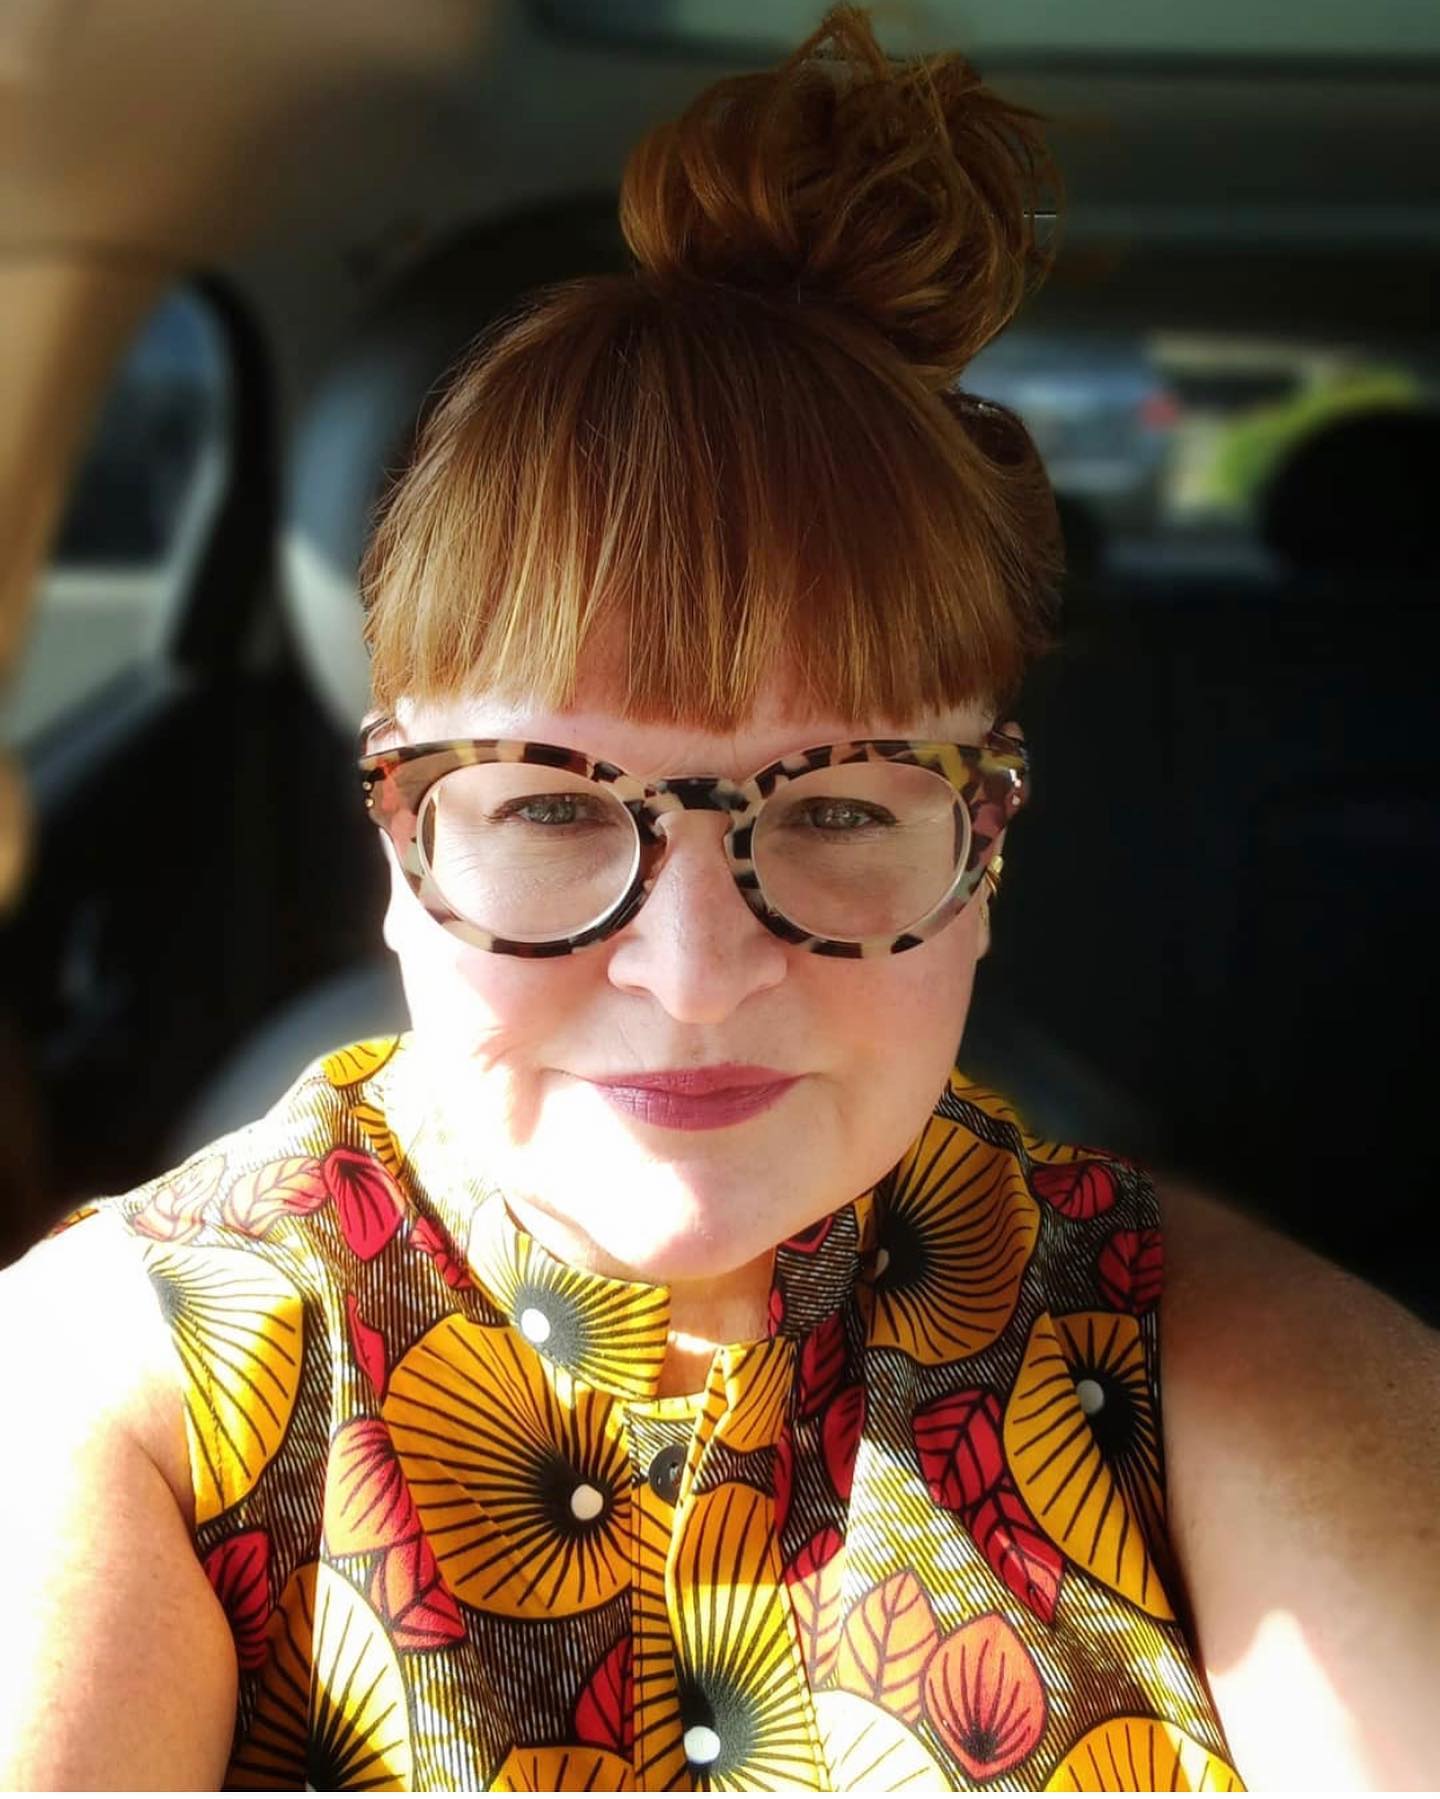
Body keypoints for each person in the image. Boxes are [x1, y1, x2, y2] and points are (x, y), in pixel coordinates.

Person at [2, 7, 1436, 1791]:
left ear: (985, 850)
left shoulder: (1225, 1372)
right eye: (548, 808)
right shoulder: (117, 1389)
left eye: (838, 806)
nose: (692, 975)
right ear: (401, 849)